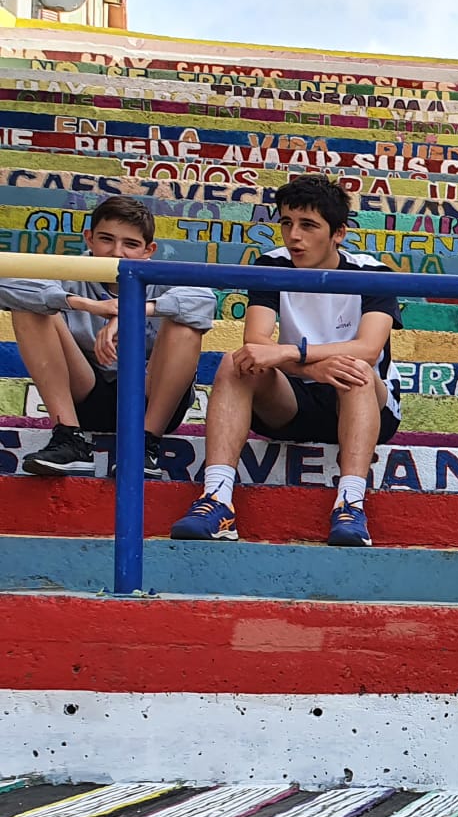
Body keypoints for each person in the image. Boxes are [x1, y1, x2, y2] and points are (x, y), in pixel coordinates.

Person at [168, 175, 400, 547]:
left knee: (353, 370)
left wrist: (296, 353)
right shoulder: (271, 265)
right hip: (291, 400)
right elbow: (257, 343)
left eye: (308, 226)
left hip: (364, 404)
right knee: (236, 362)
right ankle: (216, 499)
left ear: (338, 233)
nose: (294, 236)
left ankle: (351, 503)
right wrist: (311, 367)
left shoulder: (373, 274)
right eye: (287, 223)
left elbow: (368, 349)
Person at [1, 194, 211, 478]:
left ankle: (145, 446)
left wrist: (130, 312)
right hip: (85, 393)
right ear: (88, 238)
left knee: (186, 324)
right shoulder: (70, 271)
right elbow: (9, 285)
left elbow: (204, 300)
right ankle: (69, 439)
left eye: (131, 244)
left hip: (149, 400)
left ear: (149, 250)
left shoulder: (162, 276)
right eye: (106, 239)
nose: (116, 253)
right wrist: (87, 304)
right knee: (29, 306)